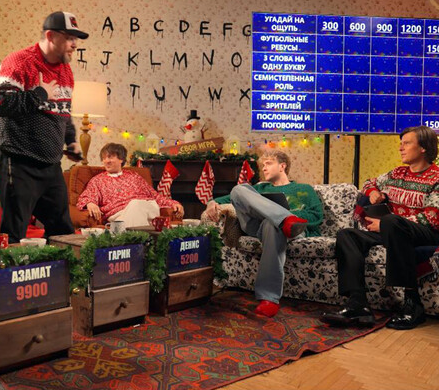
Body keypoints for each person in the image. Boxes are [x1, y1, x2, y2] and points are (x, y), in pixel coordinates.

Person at [321, 126, 439, 330]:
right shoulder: (397, 173)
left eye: (407, 143)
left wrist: (384, 224)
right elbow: (369, 183)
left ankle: (413, 305)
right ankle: (358, 304)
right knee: (347, 235)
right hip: (393, 231)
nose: (401, 148)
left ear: (423, 148)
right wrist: (374, 192)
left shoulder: (436, 177)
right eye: (401, 144)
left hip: (425, 233)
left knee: (392, 221)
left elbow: (432, 218)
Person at [0, 11, 88, 242]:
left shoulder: (65, 70)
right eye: (69, 38)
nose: (75, 44)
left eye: (76, 39)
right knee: (14, 235)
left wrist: (71, 141)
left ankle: (60, 267)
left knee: (63, 232)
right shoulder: (19, 62)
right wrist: (39, 94)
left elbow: (63, 112)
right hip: (19, 162)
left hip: (51, 166)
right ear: (51, 36)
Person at [204, 150, 323, 317]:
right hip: (257, 227)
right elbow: (229, 198)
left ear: (282, 166)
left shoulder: (304, 189)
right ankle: (284, 219)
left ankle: (268, 299)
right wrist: (211, 202)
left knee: (272, 224)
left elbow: (317, 216)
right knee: (238, 190)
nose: (264, 168)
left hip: (289, 230)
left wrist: (289, 216)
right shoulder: (260, 188)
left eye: (269, 163)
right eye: (263, 165)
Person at [77, 143, 184, 227]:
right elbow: (86, 197)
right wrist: (90, 203)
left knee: (136, 204)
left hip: (147, 208)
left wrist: (172, 203)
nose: (106, 161)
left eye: (110, 157)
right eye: (104, 158)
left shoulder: (134, 176)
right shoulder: (97, 180)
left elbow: (154, 195)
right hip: (119, 215)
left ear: (121, 159)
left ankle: (126, 239)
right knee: (134, 208)